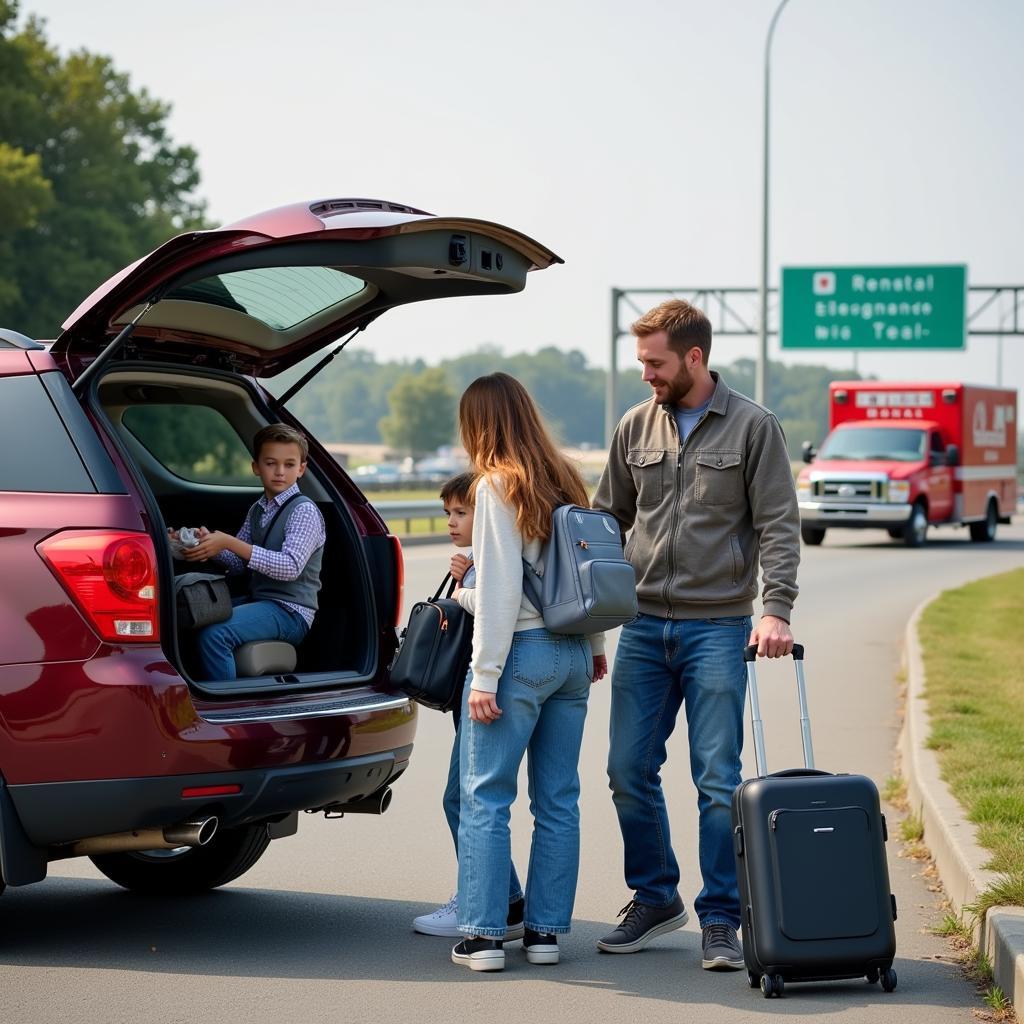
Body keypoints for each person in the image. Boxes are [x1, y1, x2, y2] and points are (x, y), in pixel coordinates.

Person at [592, 299, 800, 971]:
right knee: (627, 769)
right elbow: (604, 522)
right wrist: (589, 612)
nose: (645, 373)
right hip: (645, 626)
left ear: (694, 358)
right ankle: (654, 897)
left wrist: (776, 610)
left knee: (717, 779)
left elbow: (777, 524)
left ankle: (719, 919)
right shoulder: (633, 427)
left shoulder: (752, 427)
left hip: (718, 626)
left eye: (654, 362)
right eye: (641, 361)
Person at [450, 373, 608, 973]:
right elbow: (587, 569)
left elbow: (499, 589)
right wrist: (593, 644)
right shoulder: (565, 477)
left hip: (518, 653)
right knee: (559, 799)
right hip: (571, 654)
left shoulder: (495, 485)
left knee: (486, 796)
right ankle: (544, 936)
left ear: (480, 425)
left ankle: (486, 938)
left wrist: (484, 675)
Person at [412, 472, 525, 940]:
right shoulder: (478, 561)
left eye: (462, 512)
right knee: (475, 797)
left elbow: (501, 606)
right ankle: (509, 899)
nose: (453, 522)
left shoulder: (486, 565)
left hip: (486, 685)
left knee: (464, 798)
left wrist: (462, 589)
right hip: (485, 683)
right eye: (449, 514)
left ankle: (482, 899)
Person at [180, 423, 326, 681]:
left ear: (301, 469)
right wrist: (211, 543)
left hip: (291, 612)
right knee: (195, 616)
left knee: (215, 634)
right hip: (262, 602)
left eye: (289, 465)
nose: (280, 472)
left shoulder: (304, 511)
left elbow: (290, 567)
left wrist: (229, 542)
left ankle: (229, 710)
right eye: (271, 463)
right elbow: (238, 564)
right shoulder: (258, 509)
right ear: (256, 467)